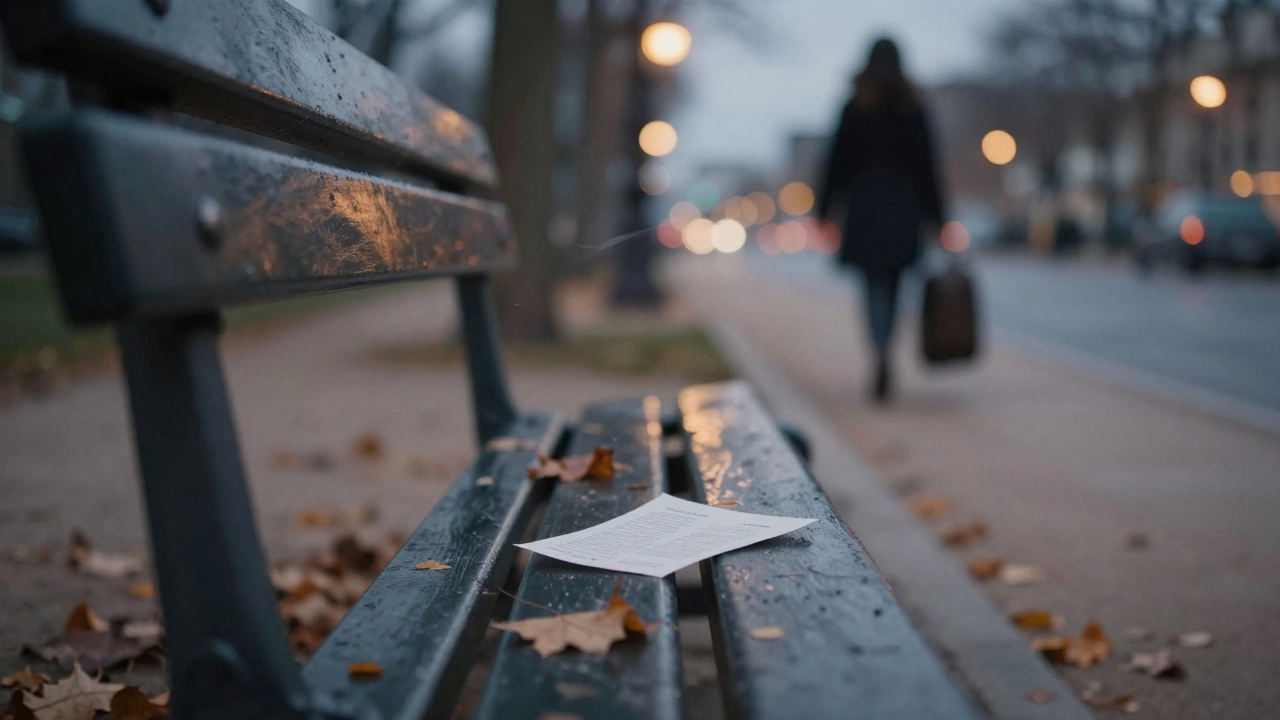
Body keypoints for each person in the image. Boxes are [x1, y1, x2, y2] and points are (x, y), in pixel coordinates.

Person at [816, 37, 946, 403]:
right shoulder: (913, 107)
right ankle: (887, 346)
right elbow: (928, 166)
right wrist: (938, 216)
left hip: (865, 208)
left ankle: (879, 350)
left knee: (872, 287)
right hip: (904, 210)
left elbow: (836, 162)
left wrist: (824, 211)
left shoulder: (855, 106)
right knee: (895, 286)